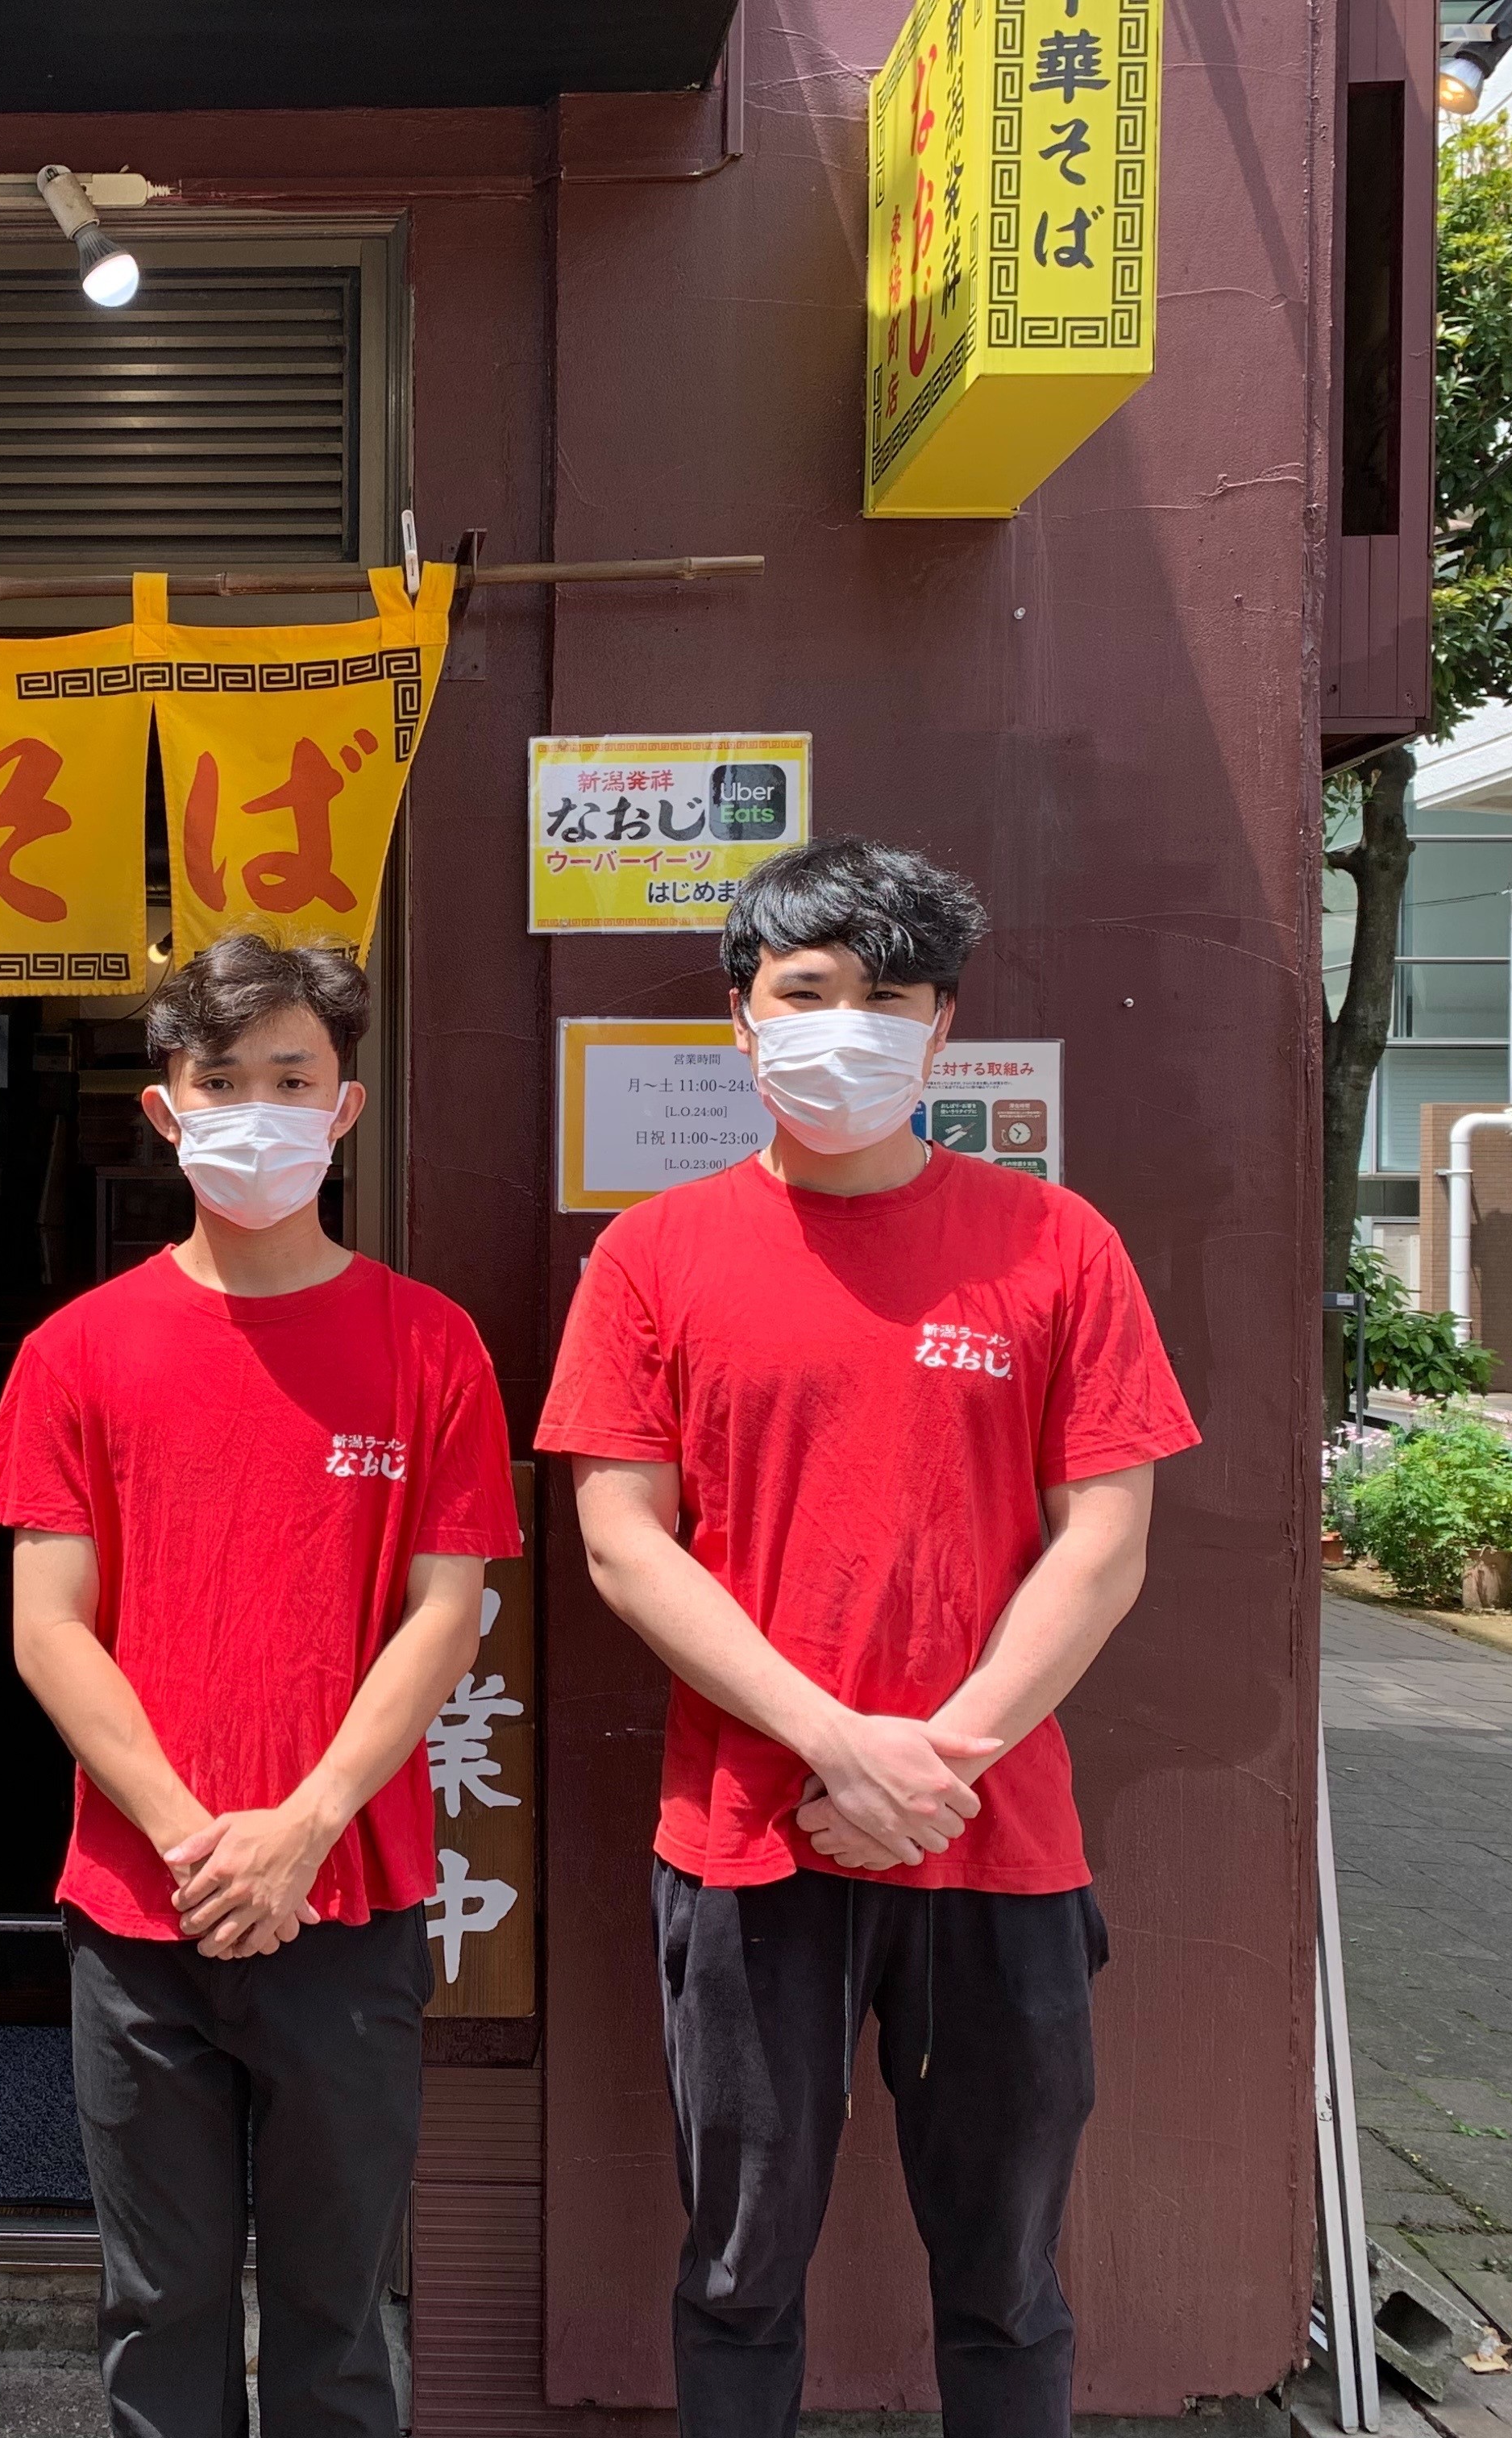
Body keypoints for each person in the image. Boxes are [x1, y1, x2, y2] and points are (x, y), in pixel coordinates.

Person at [536, 838, 1199, 2438]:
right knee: (741, 2266)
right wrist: (839, 1747)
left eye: (885, 998)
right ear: (744, 1025)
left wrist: (932, 1764)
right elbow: (625, 1540)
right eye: (807, 993)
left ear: (941, 1027)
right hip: (752, 1841)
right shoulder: (653, 1256)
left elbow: (1102, 1548)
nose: (845, 1028)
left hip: (998, 1843)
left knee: (1007, 2273)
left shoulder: (1059, 1247)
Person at [0, 934, 521, 2438]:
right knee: (162, 2306)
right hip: (138, 1912)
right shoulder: (78, 1352)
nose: (258, 1111)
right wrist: (190, 1832)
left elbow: (444, 1613)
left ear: (346, 1109)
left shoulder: (432, 1347)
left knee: (342, 2312)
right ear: (166, 1107)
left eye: (294, 1078)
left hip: (349, 1903)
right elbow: (48, 1626)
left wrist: (302, 1827)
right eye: (224, 1081)